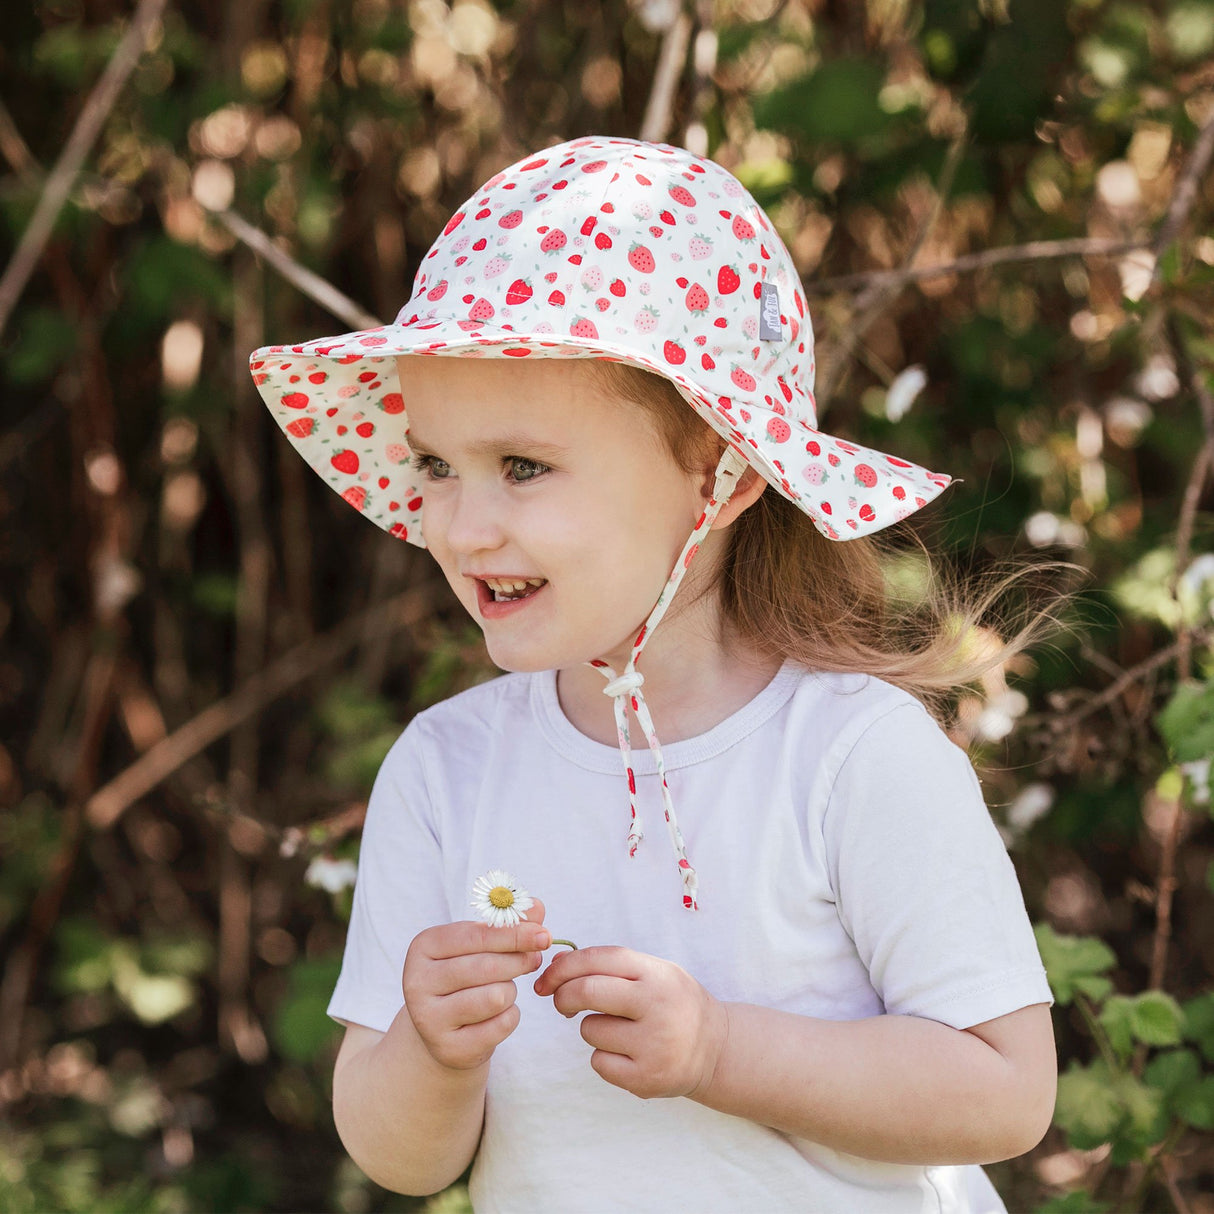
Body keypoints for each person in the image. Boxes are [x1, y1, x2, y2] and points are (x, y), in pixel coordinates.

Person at [249, 135, 1058, 1213]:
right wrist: (429, 1053)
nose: (459, 522)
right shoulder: (445, 770)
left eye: (522, 467)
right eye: (436, 465)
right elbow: (403, 1158)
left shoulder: (849, 754)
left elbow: (1003, 1089)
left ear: (719, 477)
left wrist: (719, 1045)